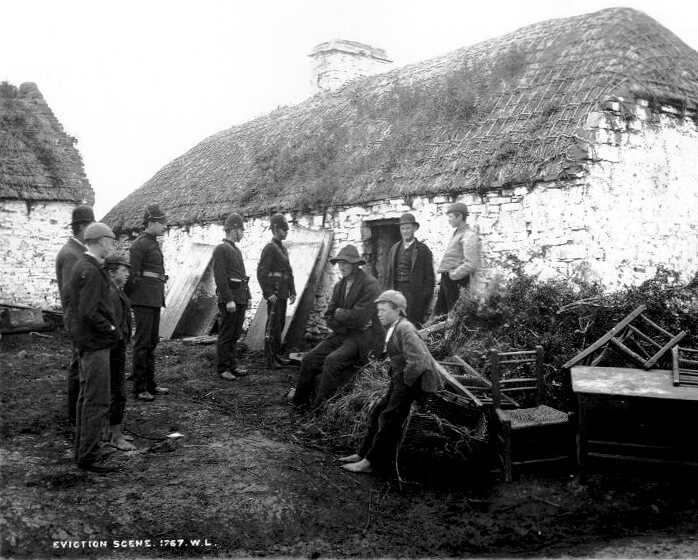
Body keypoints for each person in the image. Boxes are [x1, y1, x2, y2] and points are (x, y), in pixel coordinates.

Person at [340, 290, 444, 474]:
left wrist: (405, 381)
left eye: (384, 310)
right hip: (401, 378)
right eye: (378, 310)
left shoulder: (405, 329)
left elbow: (419, 361)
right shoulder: (394, 327)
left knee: (389, 418)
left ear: (398, 311)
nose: (379, 314)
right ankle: (362, 454)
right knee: (377, 411)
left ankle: (371, 462)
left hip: (413, 381)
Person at [290, 244, 383, 409]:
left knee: (332, 361)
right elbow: (328, 317)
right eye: (340, 263)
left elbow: (360, 319)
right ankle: (299, 404)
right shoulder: (339, 286)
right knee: (309, 358)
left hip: (362, 338)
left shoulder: (370, 284)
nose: (342, 267)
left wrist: (341, 314)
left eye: (346, 263)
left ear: (355, 264)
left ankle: (318, 411)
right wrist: (345, 319)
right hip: (343, 334)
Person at [70, 222, 119, 473]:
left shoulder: (84, 266)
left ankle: (83, 452)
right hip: (95, 344)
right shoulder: (90, 269)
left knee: (85, 398)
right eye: (111, 240)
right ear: (100, 240)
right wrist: (111, 329)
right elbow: (88, 312)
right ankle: (89, 456)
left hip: (87, 343)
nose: (113, 244)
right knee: (97, 401)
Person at [124, 204, 169, 402]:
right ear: (151, 223)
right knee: (142, 344)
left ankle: (150, 383)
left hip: (153, 298)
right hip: (143, 299)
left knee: (151, 342)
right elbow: (132, 275)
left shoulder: (152, 242)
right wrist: (129, 299)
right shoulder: (139, 244)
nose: (164, 226)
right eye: (161, 222)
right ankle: (140, 387)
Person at [55, 204, 95, 426]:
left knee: (79, 364)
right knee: (78, 367)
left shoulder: (77, 250)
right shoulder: (71, 254)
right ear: (81, 227)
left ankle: (76, 414)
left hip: (80, 318)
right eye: (90, 226)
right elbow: (73, 293)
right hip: (79, 319)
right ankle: (74, 415)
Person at [212, 212, 251, 380]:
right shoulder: (221, 249)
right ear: (233, 230)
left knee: (235, 334)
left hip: (240, 298)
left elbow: (242, 276)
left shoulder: (237, 250)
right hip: (230, 300)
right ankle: (223, 368)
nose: (242, 233)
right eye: (241, 230)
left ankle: (232, 365)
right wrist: (228, 300)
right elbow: (220, 277)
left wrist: (247, 297)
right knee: (227, 334)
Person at [104, 254, 137, 452]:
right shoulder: (111, 292)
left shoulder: (114, 290)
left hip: (115, 346)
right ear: (112, 271)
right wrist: (120, 339)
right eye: (124, 270)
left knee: (113, 390)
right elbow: (113, 322)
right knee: (118, 392)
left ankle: (109, 431)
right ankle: (116, 437)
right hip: (113, 348)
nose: (127, 274)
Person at [257, 213, 296, 369]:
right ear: (275, 229)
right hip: (275, 293)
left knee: (279, 324)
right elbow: (261, 272)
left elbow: (289, 271)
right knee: (272, 326)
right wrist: (268, 293)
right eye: (283, 229)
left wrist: (292, 291)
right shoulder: (269, 248)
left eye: (286, 229)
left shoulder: (283, 249)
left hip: (283, 292)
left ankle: (277, 355)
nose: (286, 232)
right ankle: (270, 359)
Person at [384, 213, 435, 327]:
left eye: (408, 228)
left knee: (412, 326)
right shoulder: (394, 248)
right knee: (394, 324)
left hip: (413, 295)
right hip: (396, 291)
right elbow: (388, 275)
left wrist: (422, 300)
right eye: (402, 228)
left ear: (414, 229)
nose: (405, 231)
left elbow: (429, 278)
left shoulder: (423, 250)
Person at [433, 202, 480, 316]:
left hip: (457, 282)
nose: (448, 220)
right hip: (448, 280)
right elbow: (453, 258)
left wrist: (454, 275)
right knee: (440, 315)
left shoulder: (469, 235)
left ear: (459, 216)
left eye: (450, 216)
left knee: (455, 317)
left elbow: (471, 263)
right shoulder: (457, 232)